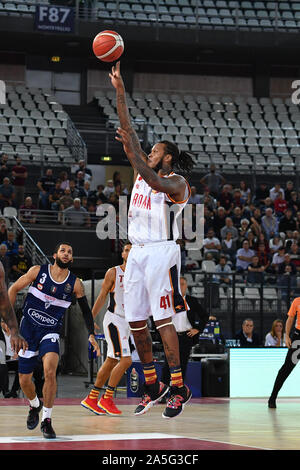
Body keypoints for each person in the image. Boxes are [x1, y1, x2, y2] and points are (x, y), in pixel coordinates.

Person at [110, 61, 194, 419]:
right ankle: (152, 385)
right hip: (138, 254)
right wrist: (119, 91)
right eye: (150, 151)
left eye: (155, 150)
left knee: (165, 322)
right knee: (135, 323)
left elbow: (149, 175)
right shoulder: (142, 169)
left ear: (167, 157)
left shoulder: (176, 184)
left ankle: (177, 387)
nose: (150, 154)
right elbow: (127, 128)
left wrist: (133, 149)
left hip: (163, 252)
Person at [8, 242, 100, 439]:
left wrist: (91, 333)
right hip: (27, 331)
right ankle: (34, 405)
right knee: (24, 379)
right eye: (63, 251)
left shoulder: (75, 284)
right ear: (55, 255)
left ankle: (47, 420)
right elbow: (13, 289)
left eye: (70, 252)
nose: (66, 254)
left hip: (50, 331)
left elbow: (85, 311)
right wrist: (7, 322)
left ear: (72, 259)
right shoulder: (37, 271)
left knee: (50, 371)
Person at [81, 242, 132, 416]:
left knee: (111, 361)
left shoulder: (140, 275)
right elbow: (102, 296)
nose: (129, 253)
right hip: (115, 320)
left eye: (132, 251)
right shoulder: (114, 272)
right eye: (126, 250)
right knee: (126, 360)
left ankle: (92, 398)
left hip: (128, 323)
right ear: (123, 254)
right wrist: (90, 320)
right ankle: (107, 398)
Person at [159, 276, 208, 401]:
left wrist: (197, 329)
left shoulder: (192, 301)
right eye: (179, 284)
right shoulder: (168, 301)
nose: (181, 286)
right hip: (171, 336)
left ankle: (177, 393)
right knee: (167, 365)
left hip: (186, 336)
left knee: (182, 366)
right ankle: (163, 394)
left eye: (183, 284)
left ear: (186, 286)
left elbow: (204, 316)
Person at [268, 297, 300, 408]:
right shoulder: (297, 301)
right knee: (286, 368)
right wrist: (286, 336)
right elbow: (290, 319)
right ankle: (273, 397)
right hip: (298, 338)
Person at [1, 318, 20, 397]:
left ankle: (14, 390)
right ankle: (6, 391)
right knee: (3, 368)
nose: (6, 324)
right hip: (3, 360)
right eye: (3, 322)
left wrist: (19, 353)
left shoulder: (16, 334)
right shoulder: (1, 335)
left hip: (15, 360)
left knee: (22, 368)